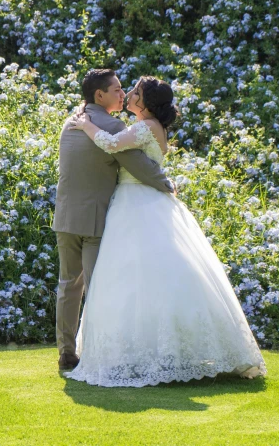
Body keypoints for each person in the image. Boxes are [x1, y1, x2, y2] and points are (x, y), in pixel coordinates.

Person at [63, 76, 266, 387]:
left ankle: (137, 353)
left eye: (135, 92)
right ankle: (148, 350)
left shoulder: (141, 127)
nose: (128, 94)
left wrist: (86, 125)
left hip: (134, 204)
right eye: (124, 90)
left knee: (132, 279)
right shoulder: (147, 126)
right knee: (147, 279)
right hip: (141, 203)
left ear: (145, 103)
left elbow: (113, 146)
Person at [52, 69, 174, 371]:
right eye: (117, 90)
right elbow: (140, 165)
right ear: (100, 96)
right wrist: (167, 183)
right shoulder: (110, 125)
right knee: (99, 287)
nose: (123, 95)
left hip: (65, 217)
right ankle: (98, 354)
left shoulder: (71, 123)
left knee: (68, 285)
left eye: (125, 90)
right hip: (96, 219)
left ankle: (66, 352)